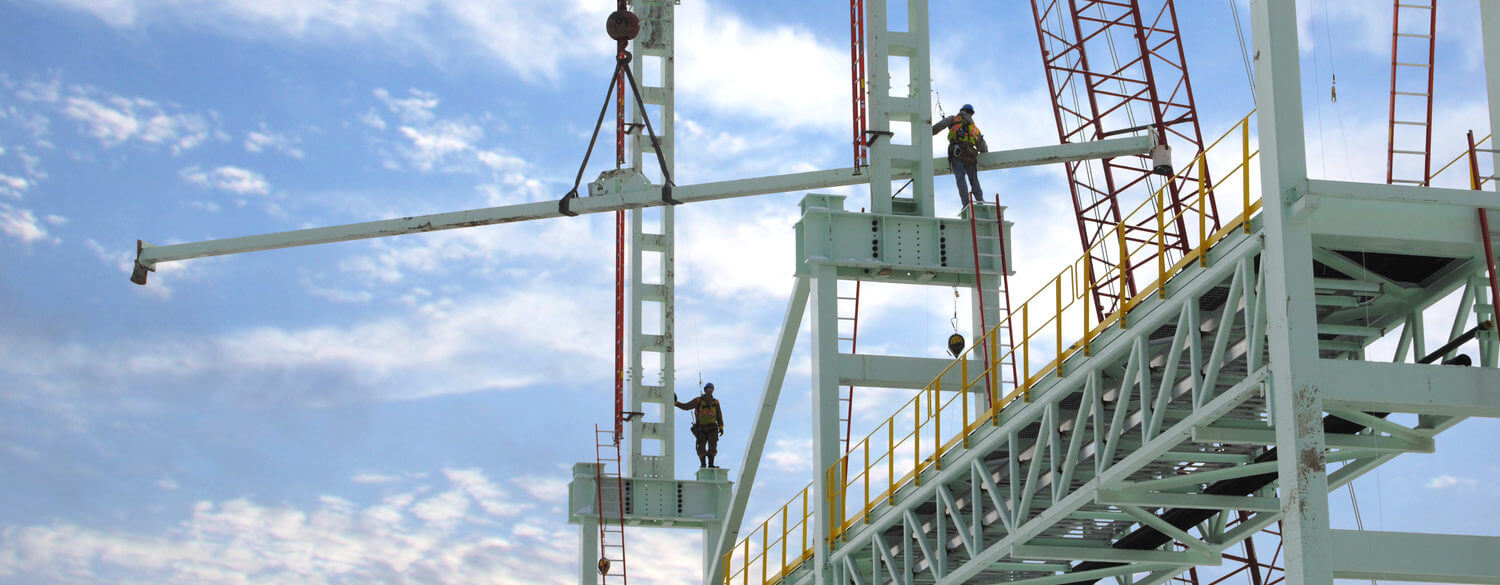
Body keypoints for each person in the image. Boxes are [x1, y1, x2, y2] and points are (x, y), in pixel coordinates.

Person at [932, 104, 990, 207]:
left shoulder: (953, 119)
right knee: (974, 179)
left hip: (957, 153)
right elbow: (982, 146)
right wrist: (985, 152)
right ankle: (980, 202)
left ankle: (966, 204)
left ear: (961, 110)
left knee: (960, 180)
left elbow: (936, 128)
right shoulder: (973, 126)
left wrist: (927, 130)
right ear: (971, 113)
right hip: (970, 155)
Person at [674, 382, 725, 468]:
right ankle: (703, 464)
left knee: (713, 447)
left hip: (712, 428)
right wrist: (676, 403)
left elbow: (719, 415)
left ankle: (711, 464)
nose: (710, 390)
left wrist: (721, 426)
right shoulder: (698, 400)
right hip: (701, 429)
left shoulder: (715, 402)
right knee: (701, 447)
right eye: (708, 388)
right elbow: (686, 406)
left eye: (711, 388)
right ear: (705, 390)